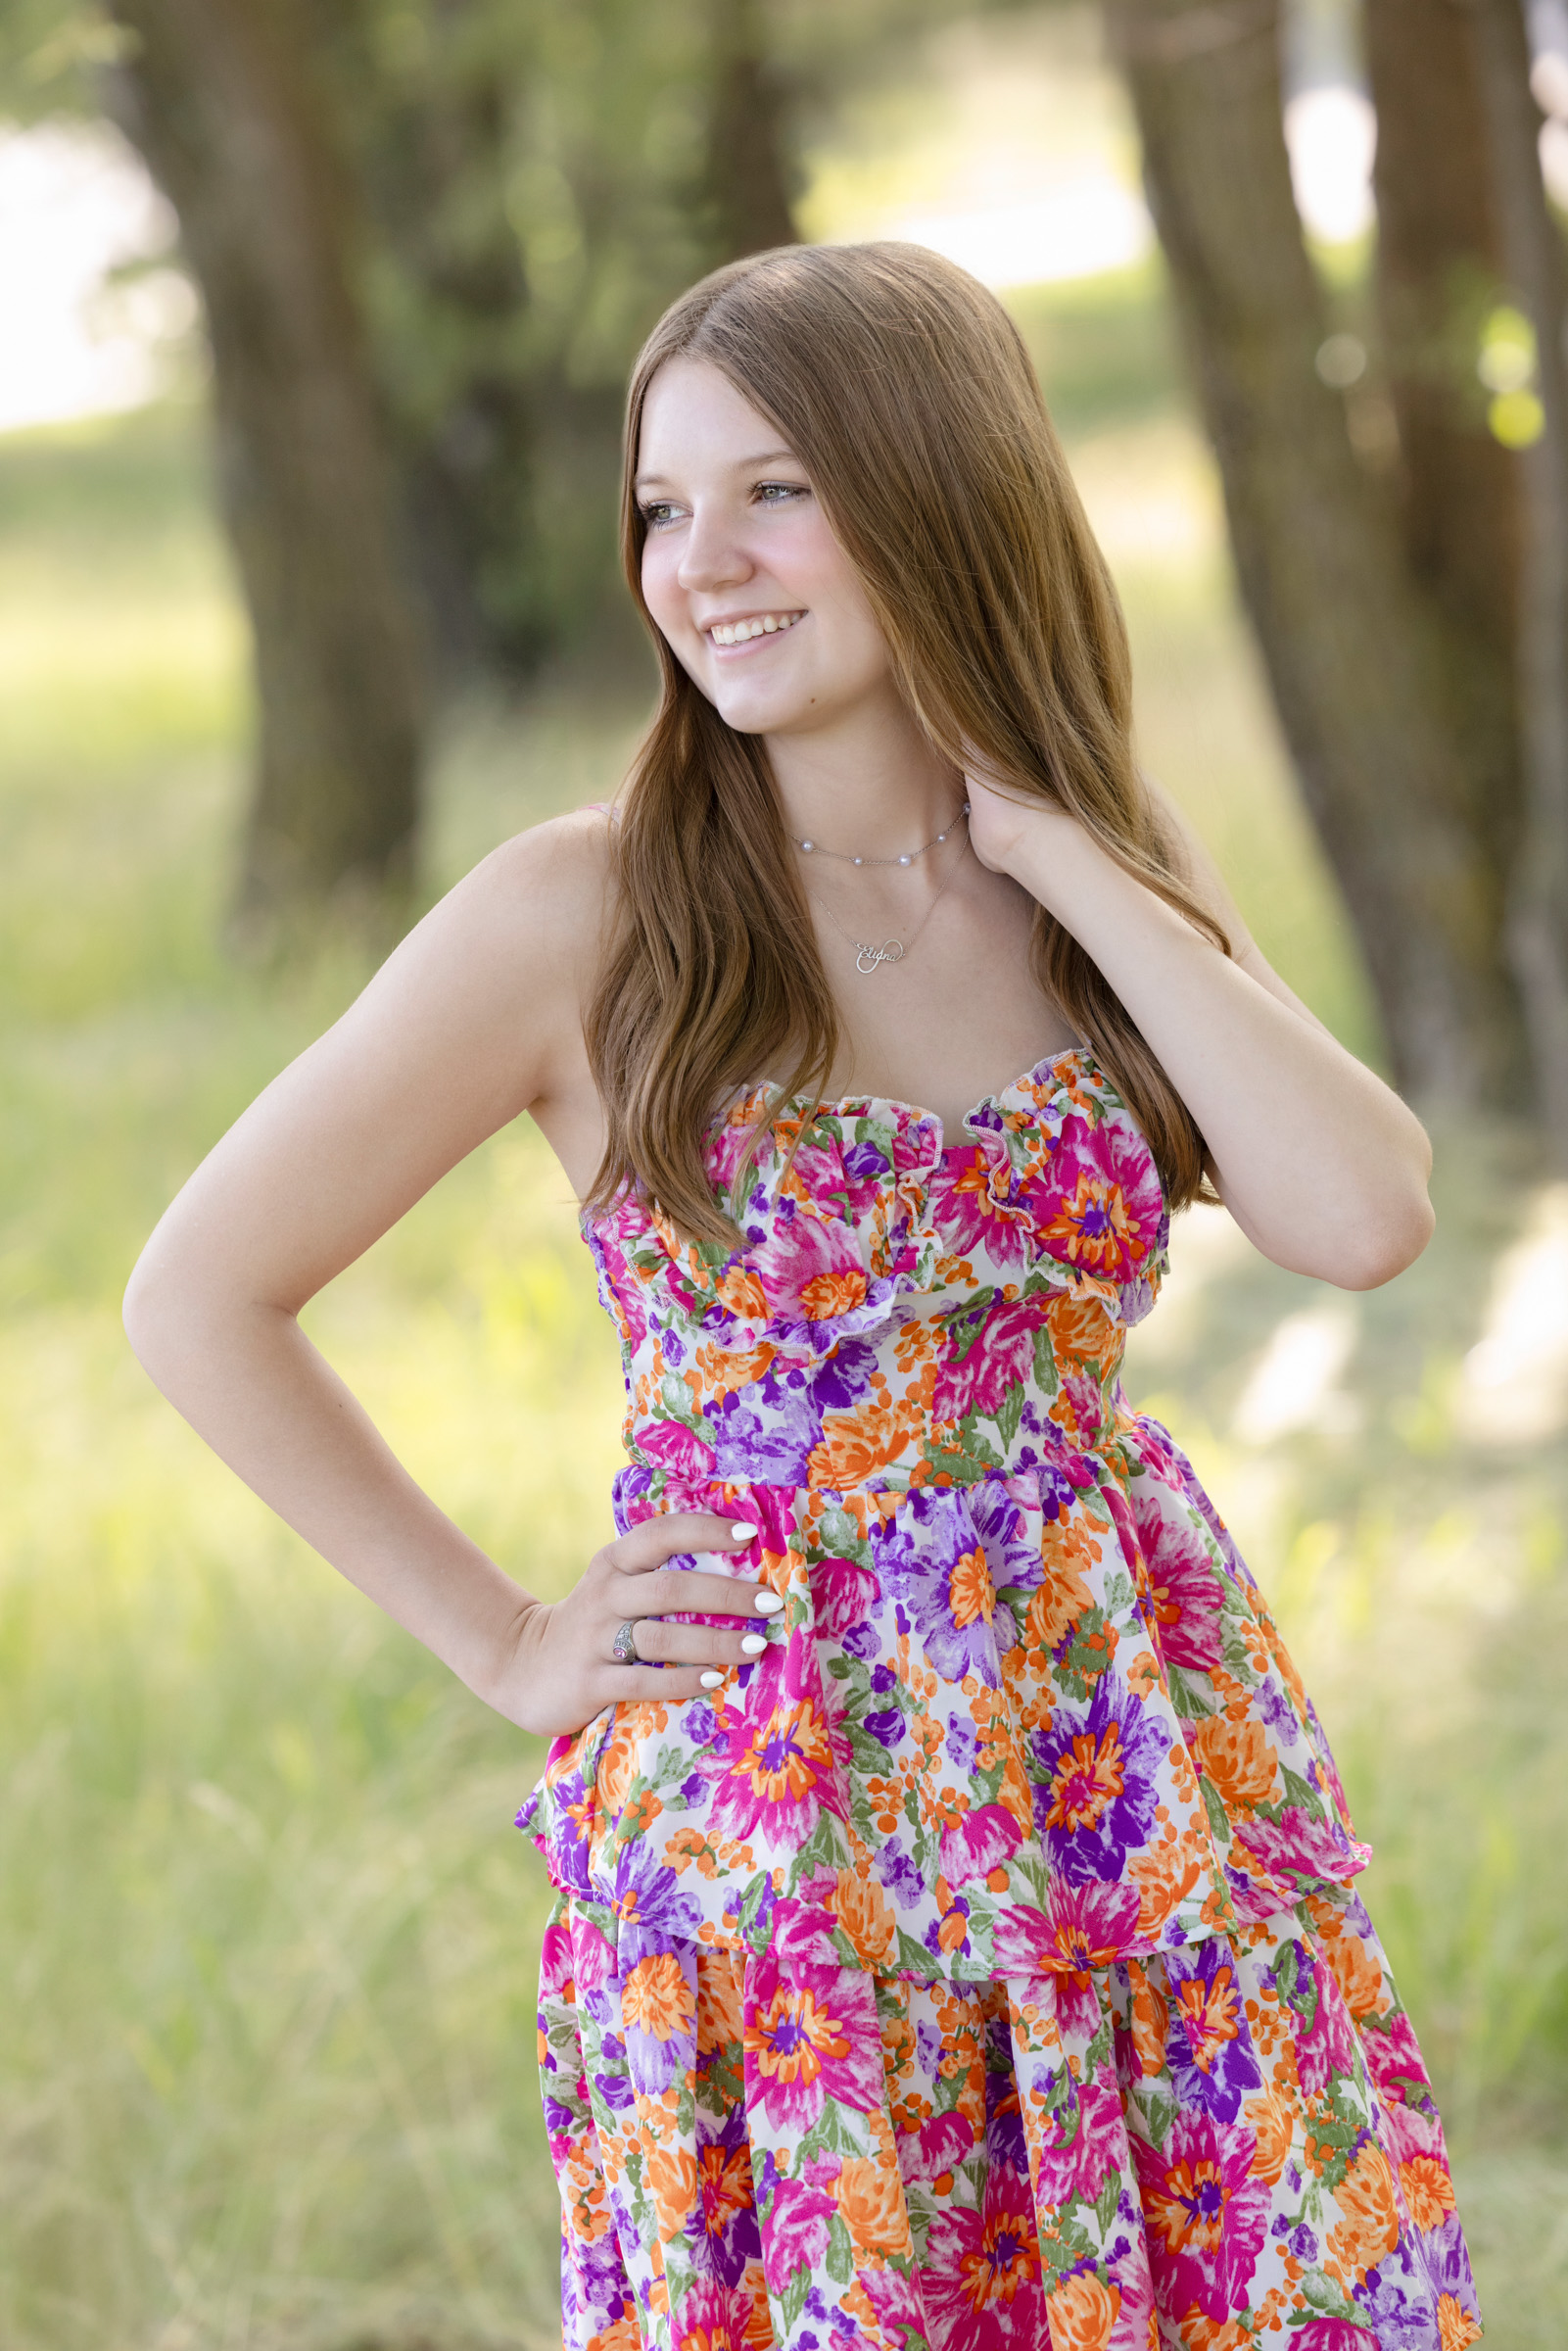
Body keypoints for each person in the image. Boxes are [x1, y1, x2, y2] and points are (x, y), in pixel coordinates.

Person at [124, 242, 1482, 2350]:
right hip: (784, 1823)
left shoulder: (1099, 871)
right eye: (664, 510)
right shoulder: (582, 911)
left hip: (1120, 1766)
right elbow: (199, 1291)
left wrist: (1067, 855)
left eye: (772, 492)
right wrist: (505, 1637)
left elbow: (1364, 1212)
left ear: (935, 488)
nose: (702, 564)